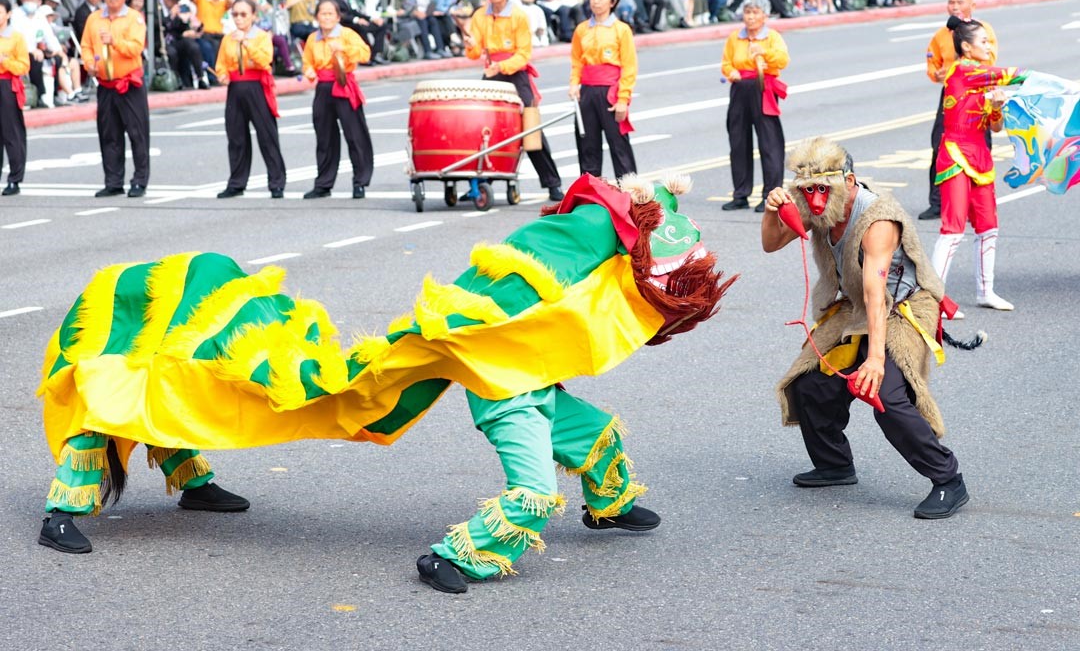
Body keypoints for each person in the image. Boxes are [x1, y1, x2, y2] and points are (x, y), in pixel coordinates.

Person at [36, 173, 734, 586]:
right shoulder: (539, 277)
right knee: (532, 492)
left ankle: (608, 501)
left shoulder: (582, 264)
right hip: (504, 382)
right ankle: (453, 558)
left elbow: (625, 233)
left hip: (530, 369)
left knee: (594, 432)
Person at [761, 138, 969, 521]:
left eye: (823, 189)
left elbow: (878, 296)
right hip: (855, 306)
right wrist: (772, 210)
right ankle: (835, 465)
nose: (816, 198)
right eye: (808, 191)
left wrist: (874, 359)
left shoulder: (878, 220)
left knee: (885, 396)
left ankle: (948, 480)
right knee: (810, 383)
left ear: (849, 181)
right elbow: (771, 244)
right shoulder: (814, 205)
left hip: (902, 308)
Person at [929, 17, 1027, 312]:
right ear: (967, 47)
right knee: (953, 229)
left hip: (980, 156)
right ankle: (931, 299)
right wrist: (1041, 80)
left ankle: (986, 291)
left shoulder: (978, 78)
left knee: (988, 227)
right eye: (984, 42)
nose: (989, 46)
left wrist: (995, 106)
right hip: (956, 155)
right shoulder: (964, 71)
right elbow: (1012, 74)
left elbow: (993, 127)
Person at [465, 0, 564, 202]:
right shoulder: (480, 15)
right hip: (492, 73)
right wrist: (470, 44)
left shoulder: (519, 15)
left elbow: (523, 54)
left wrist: (500, 67)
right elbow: (475, 52)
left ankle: (553, 184)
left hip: (515, 74)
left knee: (531, 129)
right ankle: (479, 184)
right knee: (483, 127)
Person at [920, 0, 997, 220]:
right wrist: (938, 74)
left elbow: (989, 60)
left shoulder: (981, 32)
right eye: (951, 2)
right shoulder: (942, 34)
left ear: (972, 6)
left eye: (960, 2)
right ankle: (937, 201)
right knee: (939, 145)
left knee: (981, 145)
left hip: (976, 94)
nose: (955, 6)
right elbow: (932, 62)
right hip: (951, 97)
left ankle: (977, 198)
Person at [80, 0, 150, 198]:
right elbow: (86, 46)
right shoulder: (94, 19)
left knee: (137, 133)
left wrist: (114, 41)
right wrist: (89, 64)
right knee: (109, 134)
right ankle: (113, 181)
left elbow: (135, 48)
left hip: (129, 83)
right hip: (105, 83)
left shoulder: (134, 18)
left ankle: (139, 180)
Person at [720, 0, 788, 212]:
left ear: (764, 16)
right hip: (740, 88)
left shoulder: (772, 37)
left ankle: (770, 193)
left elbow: (782, 60)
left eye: (755, 12)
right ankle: (741, 193)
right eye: (747, 12)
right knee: (738, 141)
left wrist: (764, 52)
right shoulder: (735, 38)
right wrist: (732, 73)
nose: (750, 17)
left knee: (769, 142)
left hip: (762, 86)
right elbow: (726, 63)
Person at [214, 0, 287, 200]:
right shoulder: (227, 39)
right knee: (236, 137)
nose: (238, 18)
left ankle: (276, 182)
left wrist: (245, 42)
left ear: (253, 16)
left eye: (243, 14)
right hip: (236, 88)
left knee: (267, 135)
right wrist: (222, 75)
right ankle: (237, 182)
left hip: (257, 87)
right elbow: (221, 64)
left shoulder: (262, 37)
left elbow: (265, 60)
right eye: (235, 14)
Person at [301, 0, 374, 199]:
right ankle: (323, 184)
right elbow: (307, 62)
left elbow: (365, 54)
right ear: (316, 17)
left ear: (338, 17)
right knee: (324, 137)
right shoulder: (312, 39)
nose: (326, 17)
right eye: (322, 13)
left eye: (330, 14)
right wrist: (308, 71)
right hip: (323, 88)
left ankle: (360, 181)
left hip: (343, 84)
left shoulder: (347, 34)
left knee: (354, 134)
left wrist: (342, 48)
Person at [569, 0, 637, 181]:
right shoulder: (581, 29)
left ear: (613, 2)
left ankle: (631, 195)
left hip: (611, 92)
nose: (596, 1)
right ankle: (590, 196)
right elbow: (576, 61)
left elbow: (629, 66)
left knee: (619, 145)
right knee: (587, 146)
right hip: (587, 91)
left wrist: (623, 99)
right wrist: (574, 83)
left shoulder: (621, 30)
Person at [1, 0, 31, 197]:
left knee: (12, 133)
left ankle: (15, 178)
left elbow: (24, 66)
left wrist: (5, 61)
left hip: (6, 85)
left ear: (8, 14)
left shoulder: (16, 37)